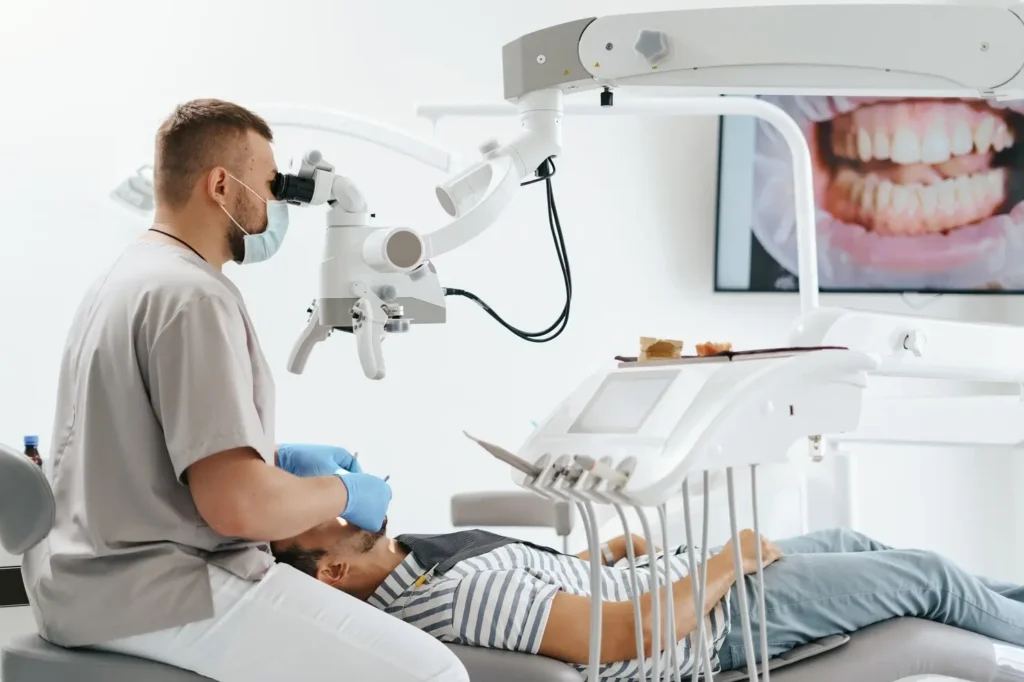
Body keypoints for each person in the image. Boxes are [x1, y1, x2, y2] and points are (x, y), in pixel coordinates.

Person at [21, 99, 467, 682]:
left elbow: (128, 449)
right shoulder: (195, 296)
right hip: (156, 590)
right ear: (221, 185)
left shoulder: (123, 278)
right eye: (269, 184)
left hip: (77, 582)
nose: (275, 204)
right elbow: (238, 508)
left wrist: (274, 461)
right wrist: (344, 492)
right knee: (435, 674)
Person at [271, 519, 1024, 682]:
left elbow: (546, 590)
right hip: (723, 620)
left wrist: (597, 559)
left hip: (689, 578)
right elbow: (626, 635)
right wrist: (727, 563)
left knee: (862, 544)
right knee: (924, 575)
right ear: (331, 572)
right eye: (322, 523)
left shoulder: (422, 560)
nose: (341, 510)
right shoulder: (448, 602)